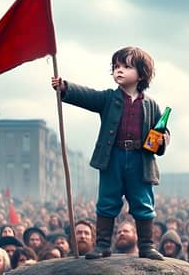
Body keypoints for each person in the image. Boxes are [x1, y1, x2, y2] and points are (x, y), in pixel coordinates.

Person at [51, 46, 170, 260]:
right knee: (107, 200)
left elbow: (162, 131)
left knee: (143, 202)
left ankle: (146, 246)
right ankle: (103, 245)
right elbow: (87, 96)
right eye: (116, 67)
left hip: (140, 159)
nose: (119, 71)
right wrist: (65, 87)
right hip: (112, 157)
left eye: (126, 66)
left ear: (141, 73)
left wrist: (163, 139)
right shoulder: (108, 98)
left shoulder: (151, 104)